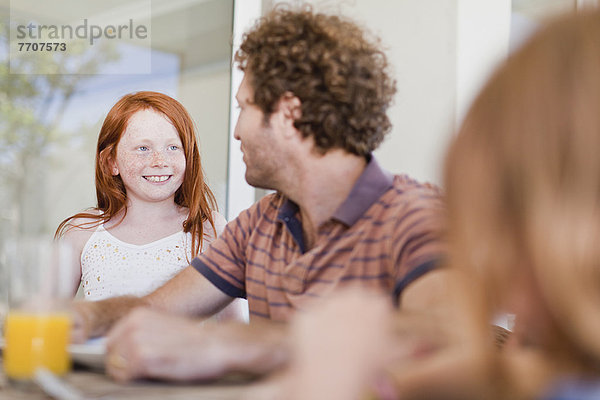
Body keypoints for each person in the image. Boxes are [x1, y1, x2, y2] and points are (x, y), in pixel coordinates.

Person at [73, 5, 448, 382]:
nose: (236, 130)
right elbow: (156, 307)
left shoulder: (416, 215)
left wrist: (234, 345)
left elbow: (447, 341)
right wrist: (87, 316)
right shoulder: (257, 226)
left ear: (288, 114)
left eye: (244, 107)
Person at [263, 8, 600, 400]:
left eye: (503, 227)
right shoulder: (562, 355)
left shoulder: (409, 209)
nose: (492, 278)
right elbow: (511, 371)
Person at [56, 91, 241, 319]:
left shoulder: (209, 229)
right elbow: (45, 317)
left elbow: (233, 326)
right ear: (111, 161)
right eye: (143, 148)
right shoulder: (83, 231)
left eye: (173, 147)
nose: (159, 161)